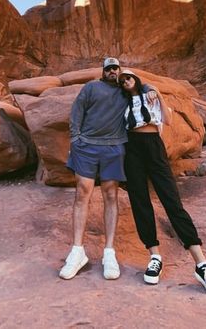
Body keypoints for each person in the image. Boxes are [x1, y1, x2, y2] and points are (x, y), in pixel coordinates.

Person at [119, 69, 206, 296]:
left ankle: (201, 264)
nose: (125, 81)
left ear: (136, 79)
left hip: (153, 146)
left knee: (172, 201)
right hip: (131, 149)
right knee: (140, 201)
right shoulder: (121, 103)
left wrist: (156, 92)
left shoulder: (151, 96)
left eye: (128, 77)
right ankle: (154, 256)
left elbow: (167, 120)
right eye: (122, 80)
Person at [59, 57, 155, 281]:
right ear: (103, 72)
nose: (112, 71)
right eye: (108, 68)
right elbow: (77, 112)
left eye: (116, 68)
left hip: (113, 148)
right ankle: (77, 251)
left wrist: (150, 88)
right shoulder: (91, 87)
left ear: (120, 72)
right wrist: (76, 140)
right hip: (87, 147)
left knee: (110, 194)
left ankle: (109, 252)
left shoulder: (125, 91)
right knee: (83, 191)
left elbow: (141, 85)